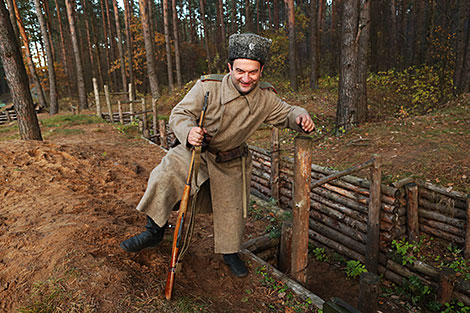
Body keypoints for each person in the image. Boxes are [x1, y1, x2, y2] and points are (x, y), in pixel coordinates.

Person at [120, 33, 315, 278]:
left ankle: (230, 253)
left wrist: (301, 117)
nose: (246, 78)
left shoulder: (266, 97)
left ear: (261, 70)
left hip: (231, 160)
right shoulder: (207, 87)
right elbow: (179, 114)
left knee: (233, 210)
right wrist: (189, 131)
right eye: (240, 71)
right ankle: (154, 231)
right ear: (229, 67)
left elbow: (289, 113)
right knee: (164, 175)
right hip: (196, 152)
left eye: (253, 72)